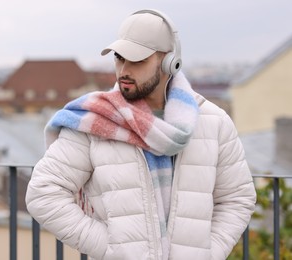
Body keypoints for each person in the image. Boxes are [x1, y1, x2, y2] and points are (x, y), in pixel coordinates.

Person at [25, 9, 256, 260]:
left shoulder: (213, 122)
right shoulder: (94, 120)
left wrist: (211, 252)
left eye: (137, 60)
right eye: (119, 58)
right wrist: (110, 250)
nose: (124, 70)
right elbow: (43, 193)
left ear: (170, 62)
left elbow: (237, 197)